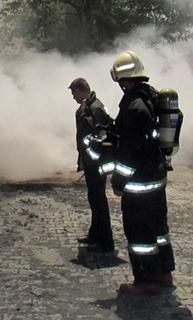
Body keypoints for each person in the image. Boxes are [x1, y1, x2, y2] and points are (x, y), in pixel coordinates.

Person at [108, 51, 175, 295]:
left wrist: (118, 181)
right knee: (159, 229)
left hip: (140, 184)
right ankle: (165, 273)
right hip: (157, 177)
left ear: (122, 79)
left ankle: (146, 280)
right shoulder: (152, 96)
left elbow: (129, 152)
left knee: (140, 233)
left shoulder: (134, 106)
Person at [68, 77, 114, 253]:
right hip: (90, 162)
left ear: (80, 90)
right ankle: (95, 234)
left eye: (73, 93)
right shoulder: (87, 108)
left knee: (99, 201)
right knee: (94, 199)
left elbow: (102, 137)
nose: (73, 96)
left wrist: (94, 160)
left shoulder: (95, 109)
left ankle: (105, 240)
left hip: (96, 164)